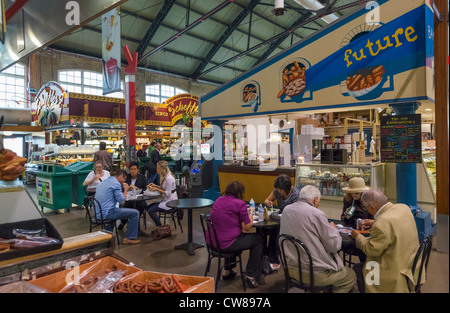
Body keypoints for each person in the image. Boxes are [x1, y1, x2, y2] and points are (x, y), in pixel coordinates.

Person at [280, 185, 357, 293]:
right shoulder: (316, 214)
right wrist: (333, 229)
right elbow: (334, 246)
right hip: (314, 273)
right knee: (350, 276)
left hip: (290, 268)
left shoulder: (286, 210)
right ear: (315, 200)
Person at [351, 189, 420, 293]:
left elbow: (371, 251)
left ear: (372, 207)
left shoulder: (382, 223)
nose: (366, 210)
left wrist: (357, 236)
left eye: (366, 207)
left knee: (359, 267)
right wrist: (375, 222)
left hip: (394, 271)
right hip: (411, 263)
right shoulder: (403, 208)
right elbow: (395, 224)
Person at [208, 181, 264, 288]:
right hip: (226, 245)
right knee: (258, 239)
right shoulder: (240, 204)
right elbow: (247, 227)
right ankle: (251, 274)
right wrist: (251, 212)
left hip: (213, 242)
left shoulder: (219, 200)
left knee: (230, 233)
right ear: (240, 193)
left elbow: (228, 218)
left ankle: (227, 271)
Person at [263, 174, 300, 271]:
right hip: (280, 217)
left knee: (275, 230)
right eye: (277, 189)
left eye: (281, 189)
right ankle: (264, 255)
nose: (278, 191)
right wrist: (268, 202)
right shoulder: (277, 190)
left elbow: (296, 214)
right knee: (263, 229)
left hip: (292, 221)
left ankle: (274, 260)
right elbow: (267, 200)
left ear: (287, 188)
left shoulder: (295, 195)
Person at [94, 169, 141, 245]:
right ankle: (129, 238)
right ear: (120, 176)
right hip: (107, 213)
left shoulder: (104, 182)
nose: (124, 181)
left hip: (98, 213)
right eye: (124, 179)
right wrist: (125, 189)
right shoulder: (116, 184)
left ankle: (106, 234)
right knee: (135, 213)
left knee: (116, 211)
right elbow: (122, 202)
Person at [340, 177, 374, 263]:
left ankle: (364, 267)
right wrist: (346, 215)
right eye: (351, 193)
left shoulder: (369, 201)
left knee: (363, 249)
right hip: (351, 230)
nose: (353, 195)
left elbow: (373, 219)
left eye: (357, 193)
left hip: (366, 231)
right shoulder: (347, 200)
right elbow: (343, 219)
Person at [145, 161, 178, 227]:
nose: (156, 169)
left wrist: (156, 189)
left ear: (162, 169)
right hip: (166, 199)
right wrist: (155, 185)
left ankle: (160, 227)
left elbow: (168, 193)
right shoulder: (166, 175)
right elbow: (164, 187)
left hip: (170, 201)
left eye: (158, 168)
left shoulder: (169, 178)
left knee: (150, 210)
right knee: (147, 207)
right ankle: (159, 226)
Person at [118, 162, 148, 231]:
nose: (133, 171)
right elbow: (121, 189)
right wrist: (126, 188)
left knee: (141, 206)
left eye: (135, 169)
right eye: (131, 169)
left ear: (138, 170)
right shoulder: (126, 177)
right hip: (128, 198)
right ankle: (123, 222)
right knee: (123, 206)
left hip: (139, 199)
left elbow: (145, 190)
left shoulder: (142, 178)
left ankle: (134, 224)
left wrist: (138, 189)